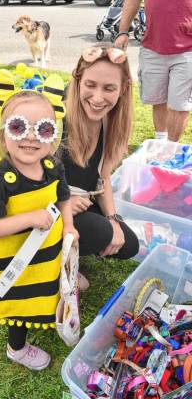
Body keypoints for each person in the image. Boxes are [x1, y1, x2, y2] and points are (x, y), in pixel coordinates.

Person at [0, 90, 78, 371]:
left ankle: (52, 301)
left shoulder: (52, 166)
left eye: (43, 129)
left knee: (45, 287)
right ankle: (17, 347)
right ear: (3, 135)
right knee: (18, 302)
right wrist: (29, 218)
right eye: (19, 126)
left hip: (46, 252)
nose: (31, 137)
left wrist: (69, 226)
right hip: (13, 260)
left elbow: (64, 196)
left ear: (53, 136)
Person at [61, 45, 139, 266]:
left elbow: (102, 178)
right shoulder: (56, 120)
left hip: (78, 203)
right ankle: (51, 262)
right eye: (90, 85)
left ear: (123, 89)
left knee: (128, 244)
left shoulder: (111, 123)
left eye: (109, 88)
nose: (98, 98)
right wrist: (62, 202)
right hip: (43, 207)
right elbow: (24, 182)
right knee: (99, 232)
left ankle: (72, 248)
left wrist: (113, 220)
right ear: (77, 80)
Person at [115, 0, 192, 142]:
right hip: (153, 46)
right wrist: (123, 31)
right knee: (159, 99)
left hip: (188, 49)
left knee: (179, 104)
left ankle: (172, 148)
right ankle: (160, 142)